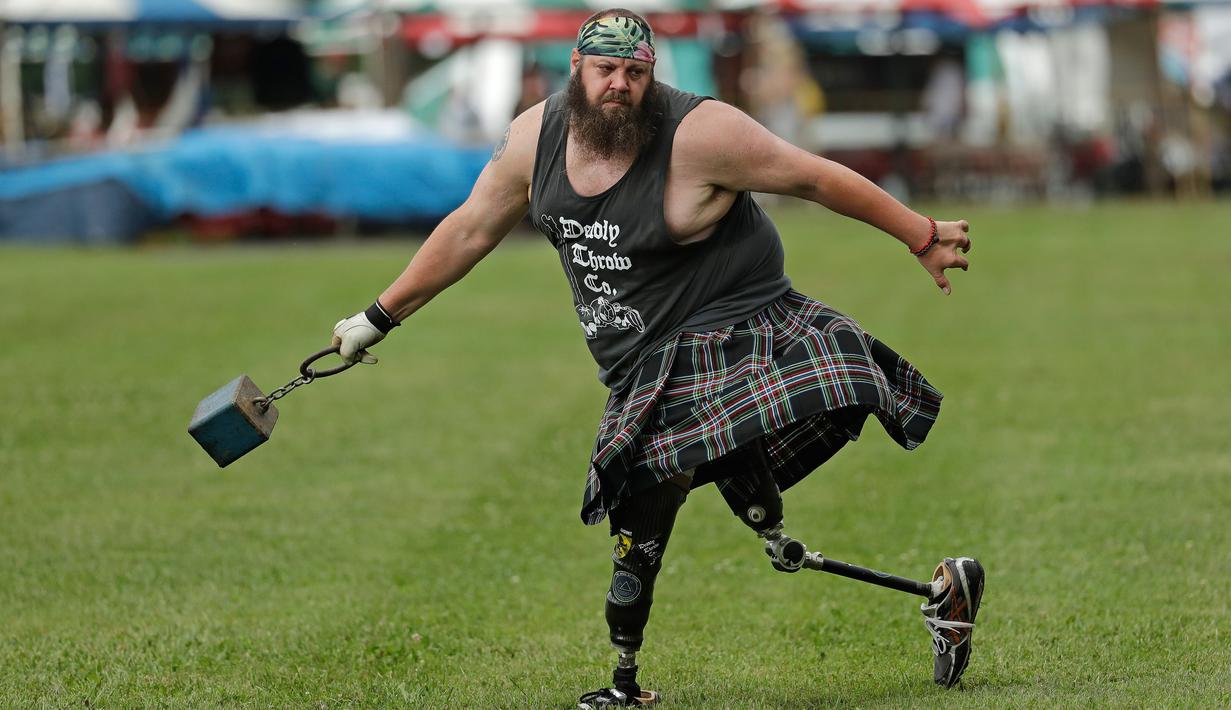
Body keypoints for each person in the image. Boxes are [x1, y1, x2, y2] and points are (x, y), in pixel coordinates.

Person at [331, 9, 983, 707]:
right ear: (575, 69)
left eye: (635, 73)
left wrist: (920, 235)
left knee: (645, 487)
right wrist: (378, 317)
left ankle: (623, 684)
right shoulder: (534, 137)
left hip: (735, 330)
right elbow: (468, 229)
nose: (620, 85)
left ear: (651, 75)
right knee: (670, 508)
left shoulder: (703, 134)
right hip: (640, 363)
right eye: (605, 70)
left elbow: (814, 178)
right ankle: (931, 585)